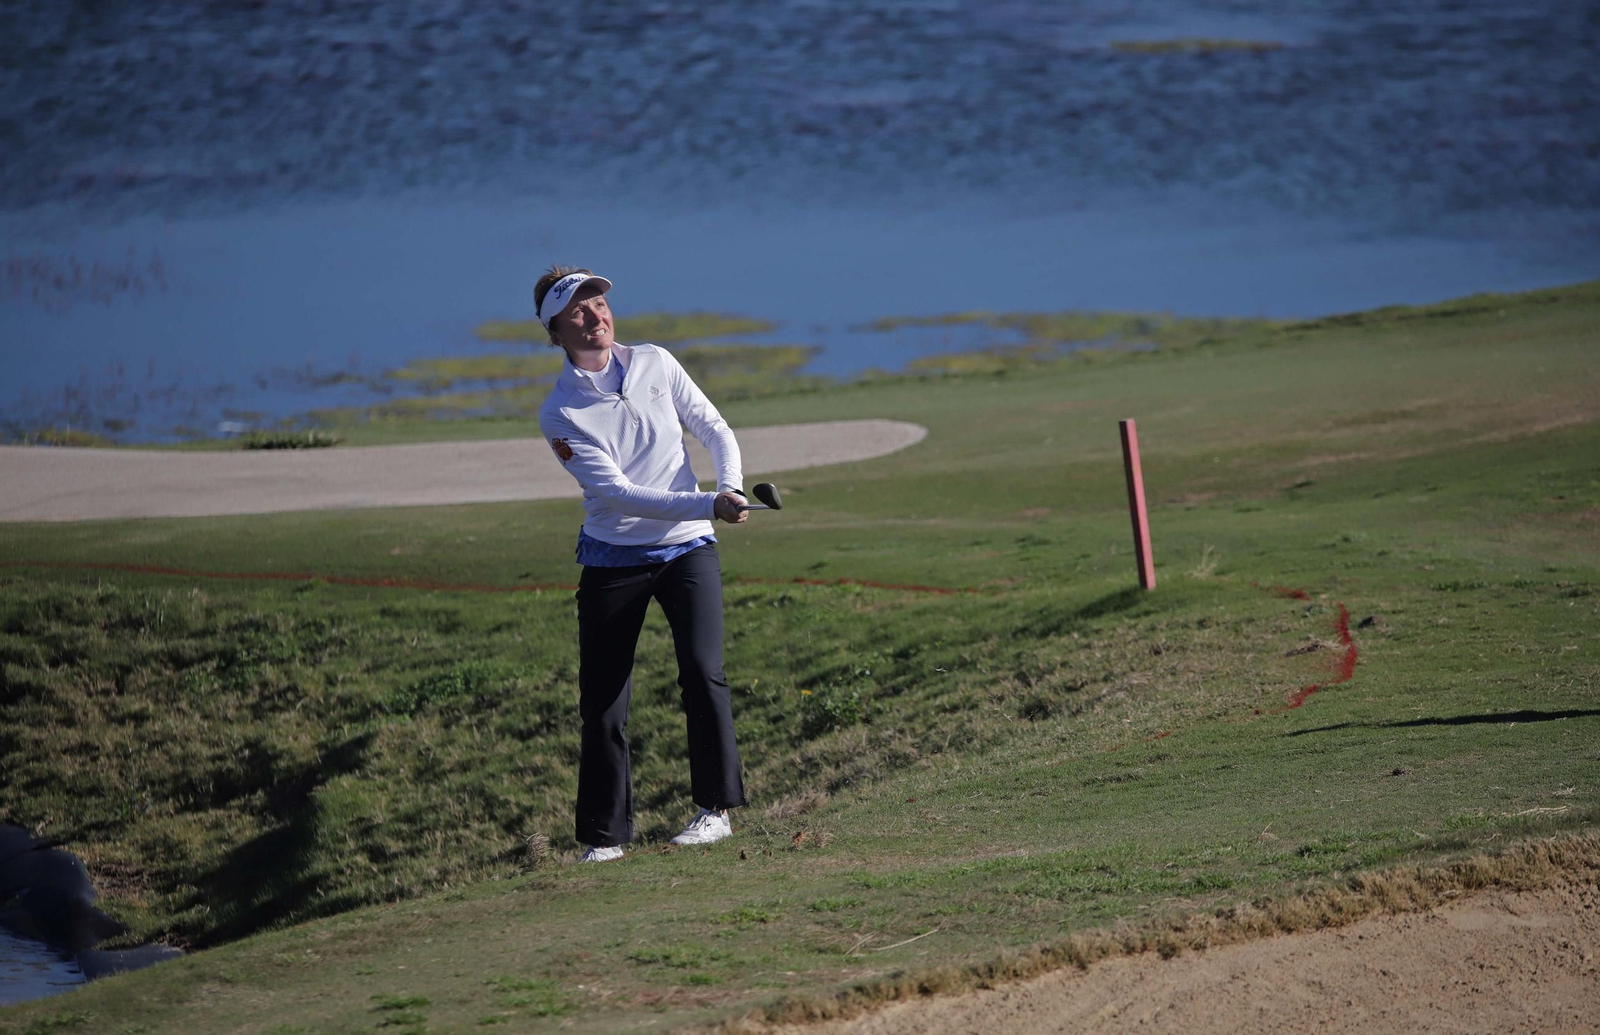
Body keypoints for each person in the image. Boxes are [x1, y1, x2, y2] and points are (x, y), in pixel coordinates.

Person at [534, 265, 751, 863]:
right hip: (613, 558)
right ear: (556, 331)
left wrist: (727, 487)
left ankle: (715, 813)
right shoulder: (561, 414)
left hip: (688, 546)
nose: (595, 314)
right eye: (578, 309)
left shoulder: (656, 361)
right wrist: (710, 501)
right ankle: (606, 841)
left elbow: (714, 429)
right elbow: (621, 494)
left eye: (599, 302)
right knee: (603, 700)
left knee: (704, 673)